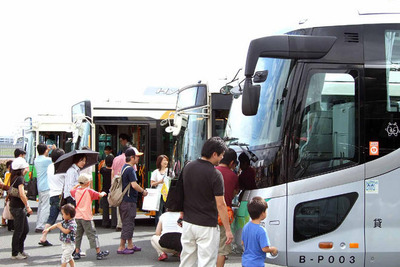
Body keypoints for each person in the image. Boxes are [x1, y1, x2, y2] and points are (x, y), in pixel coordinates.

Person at [179, 136, 234, 267]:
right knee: (206, 262)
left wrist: (182, 214)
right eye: (221, 155)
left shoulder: (188, 167)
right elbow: (221, 204)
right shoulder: (215, 174)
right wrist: (227, 230)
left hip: (188, 223)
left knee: (187, 260)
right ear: (214, 154)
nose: (221, 158)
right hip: (207, 225)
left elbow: (181, 193)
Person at [70, 173, 109, 260]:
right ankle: (98, 253)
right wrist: (103, 192)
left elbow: (71, 190)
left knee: (78, 235)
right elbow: (99, 195)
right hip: (87, 217)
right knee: (92, 235)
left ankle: (76, 252)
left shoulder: (76, 191)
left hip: (77, 216)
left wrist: (78, 184)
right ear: (88, 183)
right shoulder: (89, 191)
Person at [117, 147, 148, 254]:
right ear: (132, 157)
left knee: (128, 222)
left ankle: (130, 245)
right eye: (137, 157)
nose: (138, 158)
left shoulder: (124, 167)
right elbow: (134, 185)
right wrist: (143, 191)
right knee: (128, 223)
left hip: (125, 200)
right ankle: (121, 247)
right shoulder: (130, 169)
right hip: (129, 201)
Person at [215, 148, 239, 267]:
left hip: (208, 214)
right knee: (222, 250)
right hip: (224, 215)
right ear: (231, 163)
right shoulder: (233, 176)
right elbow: (235, 192)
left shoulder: (212, 171)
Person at [39, 148, 66, 246]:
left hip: (52, 194)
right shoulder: (62, 168)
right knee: (66, 218)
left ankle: (43, 237)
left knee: (51, 218)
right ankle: (66, 239)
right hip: (61, 196)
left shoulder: (50, 167)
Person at [241, 196, 278, 267]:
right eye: (266, 210)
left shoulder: (246, 226)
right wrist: (273, 249)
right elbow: (264, 249)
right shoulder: (261, 230)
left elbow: (242, 242)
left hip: (245, 262)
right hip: (256, 263)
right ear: (262, 213)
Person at [9, 157, 33, 260]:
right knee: (19, 231)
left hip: (15, 207)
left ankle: (20, 250)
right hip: (18, 208)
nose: (27, 168)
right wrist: (28, 206)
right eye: (26, 167)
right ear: (22, 168)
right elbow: (22, 194)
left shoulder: (14, 177)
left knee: (24, 229)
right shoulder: (20, 179)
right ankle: (15, 253)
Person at [34, 143, 54, 233]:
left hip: (40, 186)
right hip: (46, 186)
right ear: (46, 150)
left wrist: (47, 150)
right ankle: (41, 225)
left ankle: (39, 223)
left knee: (41, 206)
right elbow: (56, 159)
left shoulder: (37, 159)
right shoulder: (47, 160)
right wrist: (54, 150)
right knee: (45, 207)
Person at [111, 144, 130, 231]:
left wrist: (113, 184)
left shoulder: (116, 158)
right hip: (126, 183)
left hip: (116, 182)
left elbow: (112, 171)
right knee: (125, 203)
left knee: (118, 201)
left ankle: (117, 223)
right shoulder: (129, 159)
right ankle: (121, 223)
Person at [150, 154, 170, 226]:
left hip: (167, 194)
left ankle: (166, 228)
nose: (166, 162)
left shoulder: (169, 171)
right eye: (164, 160)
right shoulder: (155, 172)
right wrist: (159, 182)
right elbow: (152, 184)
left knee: (167, 212)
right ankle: (158, 228)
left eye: (166, 160)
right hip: (159, 194)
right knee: (159, 212)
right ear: (160, 162)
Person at [100, 154, 116, 228]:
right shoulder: (114, 171)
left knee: (105, 207)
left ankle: (105, 222)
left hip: (105, 190)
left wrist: (104, 163)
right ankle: (114, 223)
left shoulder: (103, 170)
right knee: (113, 206)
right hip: (112, 190)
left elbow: (102, 167)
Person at [2, 160, 13, 229]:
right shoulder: (10, 174)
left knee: (7, 208)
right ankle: (10, 224)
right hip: (11, 192)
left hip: (7, 192)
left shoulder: (6, 173)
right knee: (9, 209)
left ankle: (5, 222)